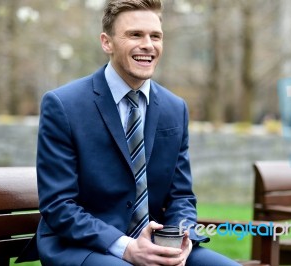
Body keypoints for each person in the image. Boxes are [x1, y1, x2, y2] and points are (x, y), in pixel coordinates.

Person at [21, 0, 242, 265]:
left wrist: (182, 239)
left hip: (157, 245)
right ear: (107, 43)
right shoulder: (63, 106)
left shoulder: (175, 108)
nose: (148, 44)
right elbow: (58, 205)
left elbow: (181, 196)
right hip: (83, 246)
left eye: (155, 36)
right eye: (135, 34)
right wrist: (127, 248)